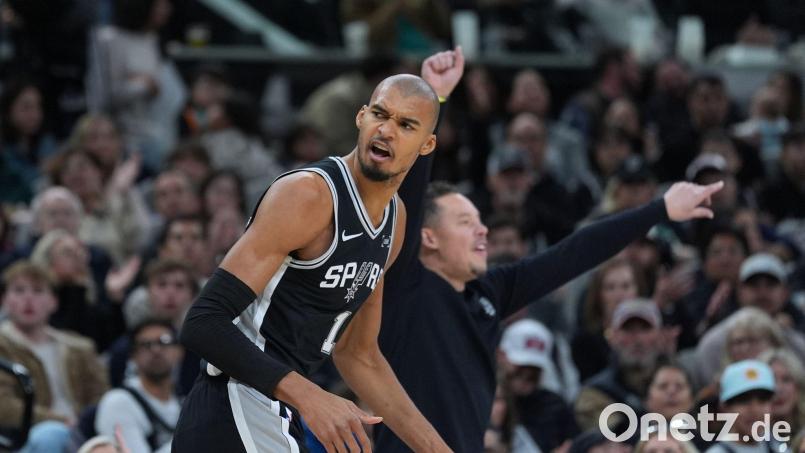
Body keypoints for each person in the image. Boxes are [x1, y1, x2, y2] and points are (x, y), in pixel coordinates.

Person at [374, 72, 724, 453]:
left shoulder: (491, 290)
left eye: (480, 222)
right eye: (465, 223)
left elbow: (573, 254)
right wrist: (433, 101)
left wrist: (661, 209)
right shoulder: (405, 281)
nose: (482, 232)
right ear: (427, 237)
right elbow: (405, 196)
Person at [172, 49, 466, 453]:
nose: (386, 131)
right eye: (380, 114)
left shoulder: (393, 223)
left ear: (427, 143)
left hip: (280, 408)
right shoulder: (309, 195)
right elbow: (202, 322)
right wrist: (312, 397)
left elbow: (358, 354)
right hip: (235, 403)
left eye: (406, 124)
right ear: (361, 116)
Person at [95, 320, 182, 452]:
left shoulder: (187, 400)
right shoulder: (118, 402)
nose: (156, 350)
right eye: (146, 345)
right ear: (133, 356)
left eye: (164, 342)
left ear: (179, 352)